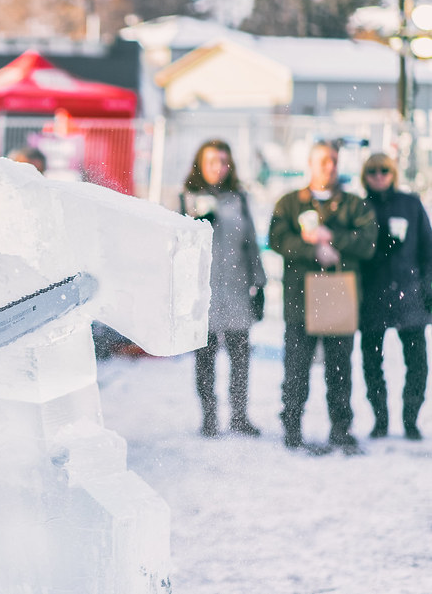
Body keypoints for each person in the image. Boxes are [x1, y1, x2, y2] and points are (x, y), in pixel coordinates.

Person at [268, 141, 377, 452]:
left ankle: (341, 429)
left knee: (340, 369)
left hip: (340, 297)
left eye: (333, 160)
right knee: (296, 368)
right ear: (310, 164)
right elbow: (276, 238)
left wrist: (335, 238)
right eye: (322, 161)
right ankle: (291, 429)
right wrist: (312, 249)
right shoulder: (290, 203)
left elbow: (368, 243)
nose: (328, 166)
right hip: (299, 298)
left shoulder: (355, 205)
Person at [179, 140, 267, 437]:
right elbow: (172, 247)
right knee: (205, 359)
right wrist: (194, 225)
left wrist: (260, 284)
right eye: (213, 161)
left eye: (224, 162)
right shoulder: (187, 199)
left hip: (237, 289)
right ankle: (209, 415)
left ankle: (239, 415)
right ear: (200, 165)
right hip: (201, 294)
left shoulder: (238, 199)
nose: (219, 167)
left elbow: (251, 244)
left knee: (240, 358)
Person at [357, 154, 432, 440]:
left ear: (393, 173)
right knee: (371, 362)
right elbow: (355, 250)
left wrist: (428, 288)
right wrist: (377, 249)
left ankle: (411, 420)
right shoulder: (360, 206)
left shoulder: (410, 204)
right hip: (372, 296)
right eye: (373, 171)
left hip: (409, 295)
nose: (379, 176)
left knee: (417, 363)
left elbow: (428, 250)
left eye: (384, 170)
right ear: (365, 175)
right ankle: (380, 420)